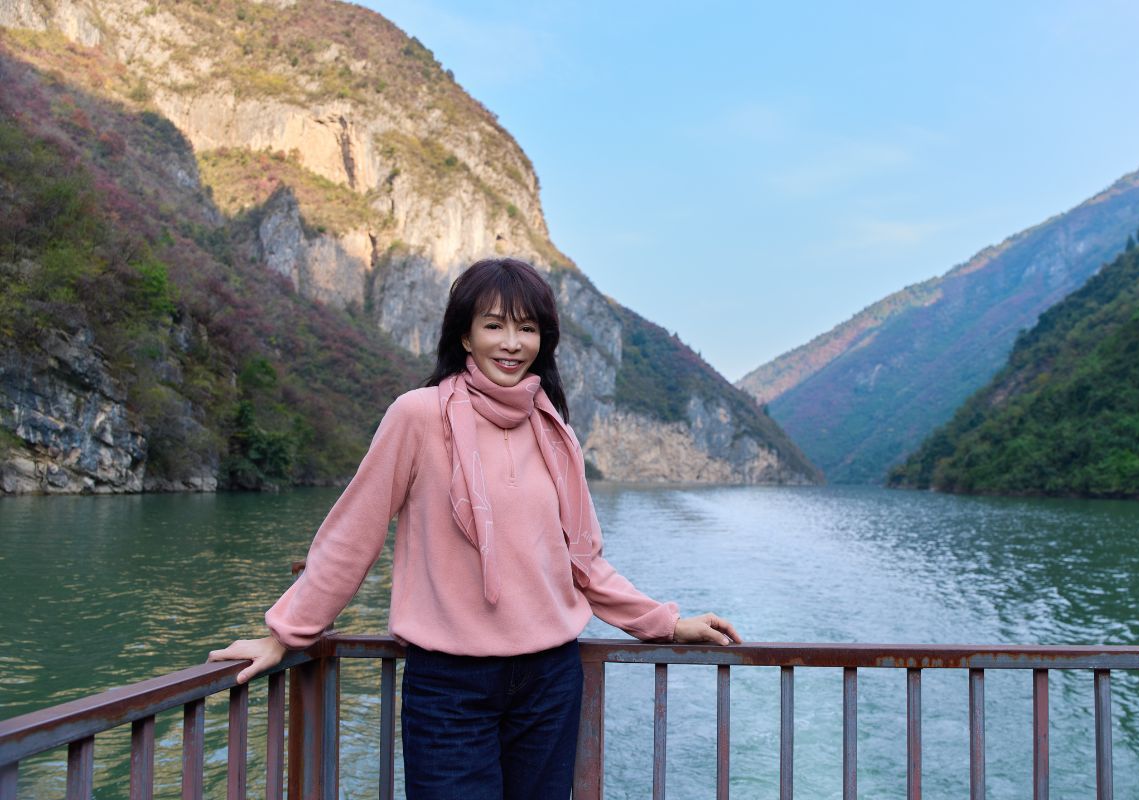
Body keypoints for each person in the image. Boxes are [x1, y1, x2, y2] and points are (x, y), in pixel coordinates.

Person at [208, 257, 742, 799]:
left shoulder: (556, 433)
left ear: (543, 339)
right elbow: (353, 535)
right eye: (494, 325)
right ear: (465, 335)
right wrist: (285, 634)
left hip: (549, 681)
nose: (511, 343)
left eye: (527, 328)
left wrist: (665, 623)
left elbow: (585, 564)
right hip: (449, 686)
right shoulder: (417, 416)